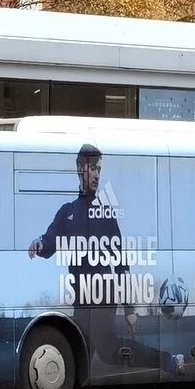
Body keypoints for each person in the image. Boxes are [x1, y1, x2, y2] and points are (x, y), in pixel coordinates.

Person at [27, 144, 134, 369]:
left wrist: (129, 309)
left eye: (99, 170)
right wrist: (39, 244)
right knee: (79, 360)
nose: (97, 175)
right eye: (93, 168)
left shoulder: (106, 214)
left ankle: (168, 361)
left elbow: (121, 263)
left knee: (103, 353)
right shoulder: (67, 212)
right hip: (81, 303)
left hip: (103, 301)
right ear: (80, 169)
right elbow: (50, 241)